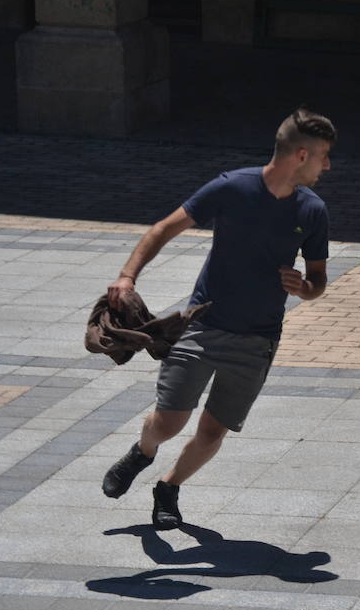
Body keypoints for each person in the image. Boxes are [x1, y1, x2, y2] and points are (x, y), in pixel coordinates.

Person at [100, 108, 335, 530]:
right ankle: (143, 451)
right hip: (203, 326)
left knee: (212, 433)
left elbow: (318, 280)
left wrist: (305, 288)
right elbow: (163, 228)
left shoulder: (312, 211)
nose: (328, 166)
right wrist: (126, 276)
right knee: (168, 423)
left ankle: (168, 488)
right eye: (324, 156)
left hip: (258, 339)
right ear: (301, 155)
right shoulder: (232, 188)